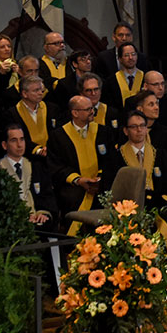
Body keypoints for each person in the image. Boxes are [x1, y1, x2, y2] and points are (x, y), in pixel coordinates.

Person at [117, 110, 167, 261]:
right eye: (134, 127)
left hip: (156, 204)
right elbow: (111, 188)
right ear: (125, 130)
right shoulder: (117, 156)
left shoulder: (159, 154)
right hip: (128, 209)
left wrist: (164, 201)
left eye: (142, 126)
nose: (139, 130)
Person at [48, 96, 121, 235]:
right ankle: (73, 244)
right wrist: (78, 180)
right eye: (88, 109)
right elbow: (55, 165)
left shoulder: (103, 132)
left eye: (92, 108)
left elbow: (111, 161)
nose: (92, 111)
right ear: (75, 113)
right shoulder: (58, 136)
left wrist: (99, 178)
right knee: (71, 197)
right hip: (73, 187)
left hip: (101, 185)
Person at [0, 123, 58, 230]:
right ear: (4, 145)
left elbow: (47, 196)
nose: (19, 145)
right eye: (14, 140)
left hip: (38, 223)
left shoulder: (37, 167)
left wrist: (43, 213)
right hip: (10, 226)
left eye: (22, 139)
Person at [2, 75, 59, 158]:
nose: (40, 93)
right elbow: (15, 139)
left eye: (41, 90)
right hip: (27, 156)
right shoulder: (12, 114)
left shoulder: (52, 109)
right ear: (25, 93)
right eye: (36, 90)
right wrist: (38, 150)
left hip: (52, 154)